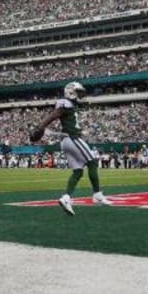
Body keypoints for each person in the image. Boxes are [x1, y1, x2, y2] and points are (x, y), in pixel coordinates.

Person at [29, 82, 111, 216]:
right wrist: (40, 127)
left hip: (66, 141)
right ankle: (97, 194)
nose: (80, 95)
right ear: (71, 91)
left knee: (78, 172)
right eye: (78, 92)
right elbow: (54, 115)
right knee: (93, 161)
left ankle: (66, 198)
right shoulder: (65, 103)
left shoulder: (71, 105)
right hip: (72, 138)